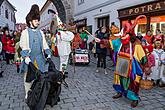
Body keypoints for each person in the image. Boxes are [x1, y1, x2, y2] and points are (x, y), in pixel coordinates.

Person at [95, 15, 147, 107]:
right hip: (121, 65)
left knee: (132, 82)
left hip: (132, 68)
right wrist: (101, 41)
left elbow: (143, 57)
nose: (122, 36)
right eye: (122, 34)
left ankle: (134, 98)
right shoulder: (119, 42)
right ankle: (120, 92)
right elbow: (110, 43)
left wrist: (146, 66)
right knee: (119, 79)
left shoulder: (136, 45)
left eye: (125, 34)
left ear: (130, 34)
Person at [19, 4, 51, 99]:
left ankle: (38, 92)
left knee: (40, 76)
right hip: (29, 58)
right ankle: (28, 93)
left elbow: (44, 44)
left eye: (38, 20)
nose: (38, 22)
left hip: (39, 58)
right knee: (28, 77)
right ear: (30, 21)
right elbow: (22, 45)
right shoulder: (25, 32)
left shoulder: (40, 32)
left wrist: (48, 53)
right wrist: (26, 57)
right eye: (36, 21)